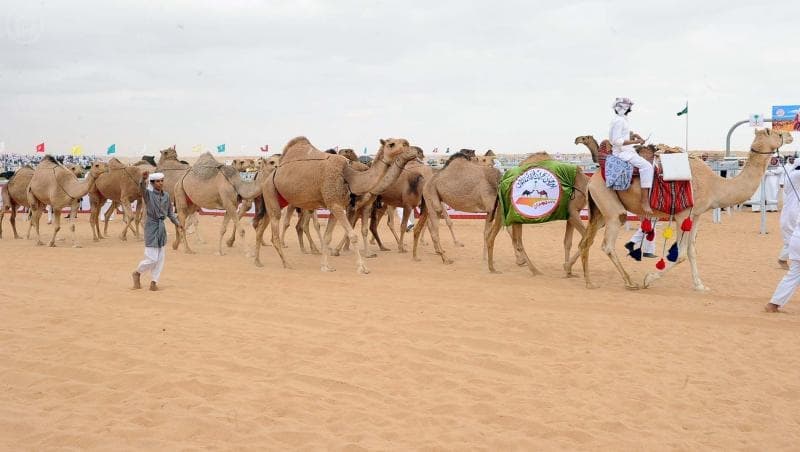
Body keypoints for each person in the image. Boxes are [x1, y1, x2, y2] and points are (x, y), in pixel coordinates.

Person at [132, 172, 182, 291]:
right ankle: (137, 272)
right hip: (151, 226)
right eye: (158, 181)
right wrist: (143, 179)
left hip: (161, 228)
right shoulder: (148, 195)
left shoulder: (166, 196)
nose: (160, 183)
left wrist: (177, 223)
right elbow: (142, 188)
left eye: (162, 181)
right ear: (153, 183)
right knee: (152, 258)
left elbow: (170, 212)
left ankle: (154, 282)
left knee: (160, 258)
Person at [609, 97, 653, 214]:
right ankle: (644, 200)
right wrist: (635, 142)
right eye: (628, 108)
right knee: (647, 167)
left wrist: (636, 136)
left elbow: (625, 134)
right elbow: (617, 141)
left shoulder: (622, 120)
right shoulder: (619, 121)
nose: (630, 110)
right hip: (622, 153)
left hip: (627, 150)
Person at [778, 162, 800, 268]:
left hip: (792, 210)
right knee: (792, 237)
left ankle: (783, 258)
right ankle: (782, 259)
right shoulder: (796, 175)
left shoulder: (792, 174)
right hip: (792, 212)